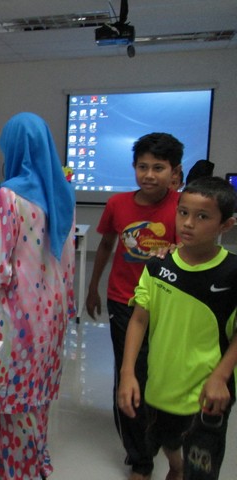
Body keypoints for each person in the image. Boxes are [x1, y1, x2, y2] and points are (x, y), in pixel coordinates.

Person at [118, 176, 237, 480]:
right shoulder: (159, 265)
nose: (188, 223)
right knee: (168, 441)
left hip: (208, 392)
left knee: (201, 466)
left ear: (226, 224)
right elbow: (139, 319)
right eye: (183, 212)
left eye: (202, 217)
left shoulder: (232, 273)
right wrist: (127, 372)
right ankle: (176, 466)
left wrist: (221, 377)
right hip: (161, 384)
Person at [0, 112, 76, 479]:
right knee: (36, 389)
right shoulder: (62, 192)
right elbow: (66, 260)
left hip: (17, 313)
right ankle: (36, 459)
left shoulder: (9, 194)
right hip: (52, 311)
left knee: (11, 391)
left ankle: (15, 467)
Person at [86, 132, 183, 480]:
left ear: (175, 172)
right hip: (123, 300)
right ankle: (140, 458)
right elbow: (105, 246)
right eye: (143, 166)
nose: (149, 175)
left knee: (162, 376)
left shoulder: (184, 208)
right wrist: (93, 288)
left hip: (168, 305)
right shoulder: (117, 204)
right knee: (130, 374)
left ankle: (165, 443)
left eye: (158, 167)